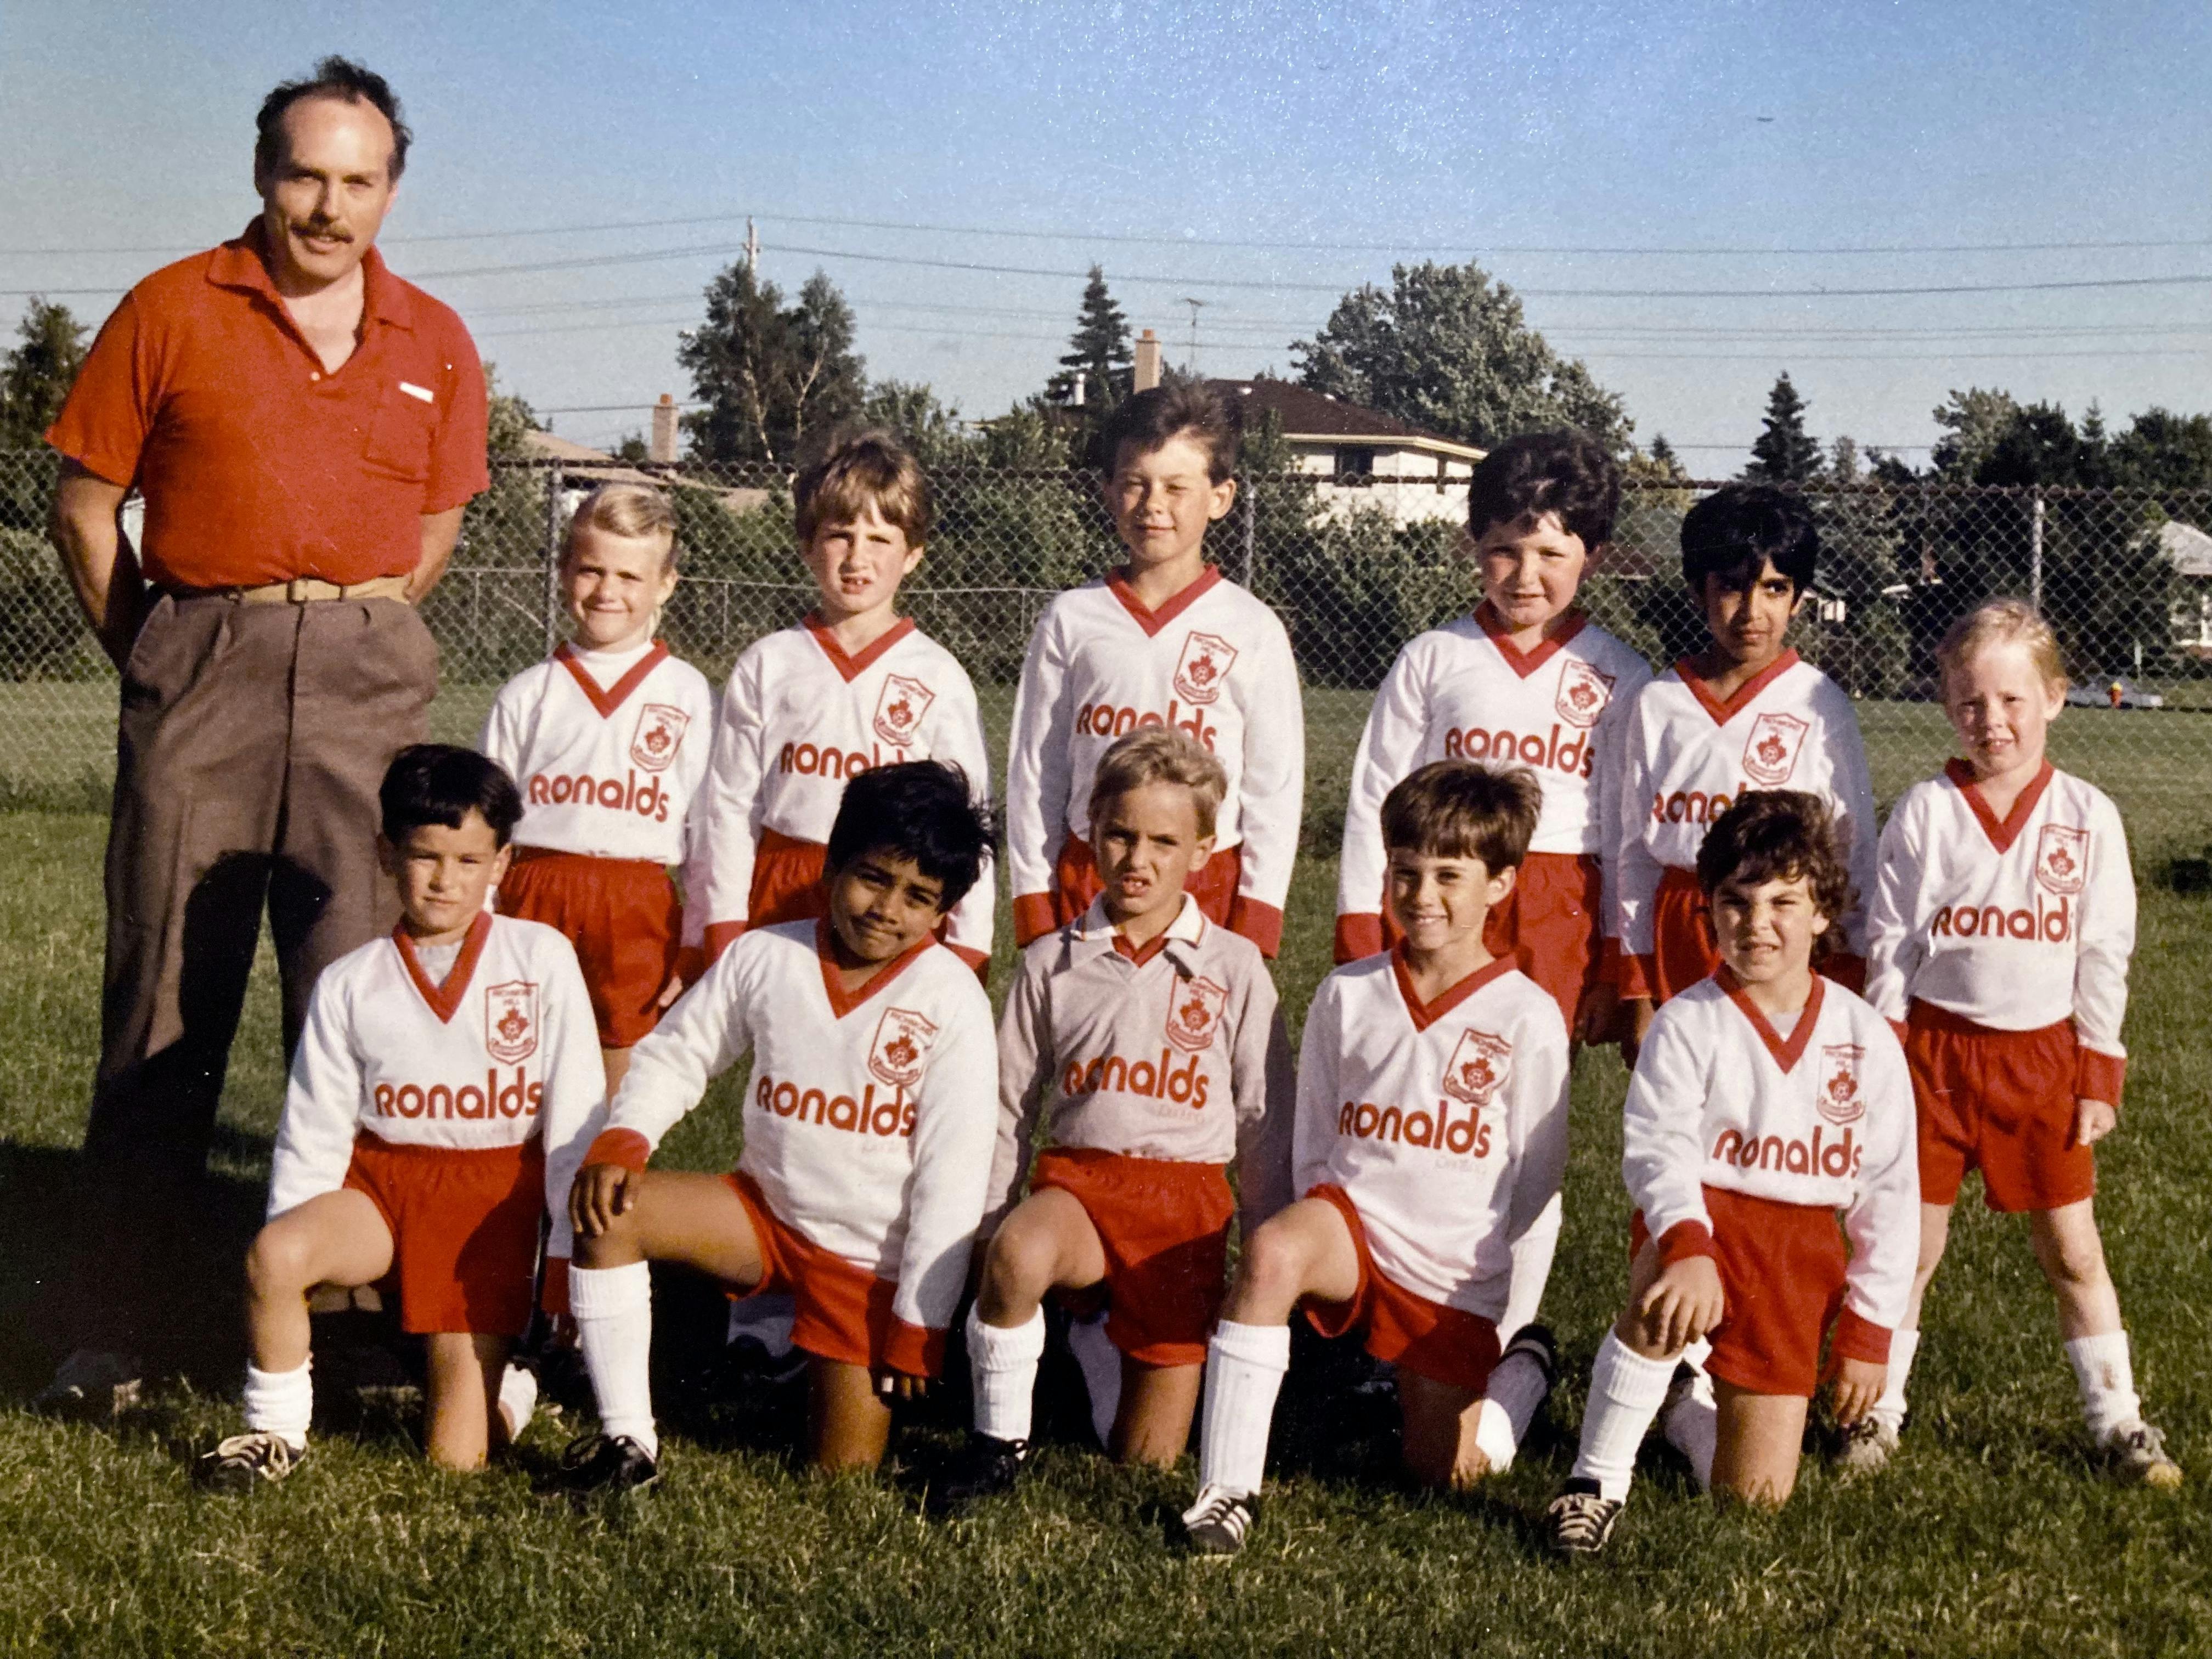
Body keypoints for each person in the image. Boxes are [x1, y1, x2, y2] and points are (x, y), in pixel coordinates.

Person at [40, 57, 489, 1412]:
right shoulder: (172, 306)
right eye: (305, 174)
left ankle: (344, 1324)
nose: (329, 207)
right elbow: (83, 507)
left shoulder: (437, 338)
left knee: (357, 1002)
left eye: (359, 181)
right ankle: (122, 1319)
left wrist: (344, 630)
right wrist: (170, 657)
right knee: (168, 996)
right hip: (205, 659)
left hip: (363, 671)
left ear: (392, 191)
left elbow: (435, 529)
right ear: (260, 175)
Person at [1331, 429, 1652, 1474]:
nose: (1528, 575)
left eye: (1553, 554)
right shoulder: (1434, 658)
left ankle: (1501, 1330)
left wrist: (1618, 959)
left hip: (1553, 905)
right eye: (1508, 550)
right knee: (1416, 1110)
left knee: (1518, 1124)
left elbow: (1625, 828)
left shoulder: (1617, 674)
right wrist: (1357, 930)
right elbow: (1375, 798)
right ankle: (1392, 1328)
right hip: (1439, 896)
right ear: (1475, 546)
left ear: (1591, 557)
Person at [558, 761, 999, 1489]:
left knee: (841, 1479)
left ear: (943, 913)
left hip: (868, 1261)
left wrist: (922, 1320)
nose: (887, 908)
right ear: (831, 864)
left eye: (918, 897)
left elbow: (952, 1177)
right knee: (609, 1213)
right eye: (873, 877)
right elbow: (679, 1052)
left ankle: (798, 1361)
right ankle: (628, 1445)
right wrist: (627, 1134)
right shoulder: (768, 954)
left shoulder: (950, 998)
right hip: (762, 1216)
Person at [1180, 761, 1570, 1556]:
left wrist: (1494, 1290)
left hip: (1451, 1270)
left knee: (1446, 1473)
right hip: (1352, 1233)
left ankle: (1522, 1377)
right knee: (1273, 1251)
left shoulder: (1527, 1015)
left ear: (1500, 884)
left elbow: (1536, 1179)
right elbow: (1315, 1142)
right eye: (1407, 873)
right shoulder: (1348, 993)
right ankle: (1225, 1495)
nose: (1424, 895)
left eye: (1450, 877)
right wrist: (1323, 1222)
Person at [195, 747, 601, 1487]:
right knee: (276, 1255)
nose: (446, 880)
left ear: (503, 862)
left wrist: (568, 1254)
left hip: (488, 1204)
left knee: (455, 1461)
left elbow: (575, 1114)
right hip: (384, 1188)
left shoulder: (541, 958)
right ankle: (275, 1434)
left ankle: (512, 1389)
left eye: (469, 861)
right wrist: (301, 1250)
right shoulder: (351, 982)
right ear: (386, 853)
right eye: (425, 856)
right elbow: (313, 1129)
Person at [1855, 600, 2177, 1486]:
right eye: (1968, 702)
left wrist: (2095, 1070)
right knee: (1906, 1249)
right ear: (1945, 704)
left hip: (2039, 1060)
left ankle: (2117, 1419)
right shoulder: (1926, 810)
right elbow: (1890, 941)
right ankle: (1875, 1411)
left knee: (2072, 1249)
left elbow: (2104, 951)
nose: (1990, 721)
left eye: (2010, 699)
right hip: (1931, 1056)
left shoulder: (2087, 814)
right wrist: (1883, 1057)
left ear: (2056, 697)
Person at [930, 729, 1294, 1514]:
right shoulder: (1050, 962)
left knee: (1142, 1460)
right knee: (1021, 1257)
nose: (1140, 859)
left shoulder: (1234, 968)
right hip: (1083, 1191)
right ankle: (998, 1445)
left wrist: (1266, 1261)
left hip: (1183, 1213)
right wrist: (991, 1223)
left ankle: (1093, 1335)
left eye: (1165, 841)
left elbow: (1267, 1118)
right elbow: (1007, 1104)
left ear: (1203, 851)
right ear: (1091, 832)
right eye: (1121, 834)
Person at [1544, 791, 1917, 1555]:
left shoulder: (1865, 1037)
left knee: (1752, 1504)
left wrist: (1870, 1336)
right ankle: (1595, 1482)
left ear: (1823, 913)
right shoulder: (1689, 1020)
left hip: (1800, 1256)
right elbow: (1658, 1150)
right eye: (1736, 903)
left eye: (1785, 901)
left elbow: (1891, 1197)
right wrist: (1687, 1243)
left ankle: (1683, 1411)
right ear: (1709, 911)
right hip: (1705, 1227)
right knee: (1666, 1279)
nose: (1758, 923)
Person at [1005, 381, 1304, 960]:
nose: (1153, 505)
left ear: (1220, 497)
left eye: (1176, 487)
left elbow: (1274, 789)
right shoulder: (1072, 618)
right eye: (1135, 484)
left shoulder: (1252, 627)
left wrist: (1258, 915)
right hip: (1090, 874)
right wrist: (1034, 900)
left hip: (1206, 883)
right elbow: (1036, 775)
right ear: (1108, 491)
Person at [694, 429, 992, 975]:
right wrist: (723, 922)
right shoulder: (770, 662)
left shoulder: (938, 674)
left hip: (890, 889)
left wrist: (970, 943)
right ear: (809, 545)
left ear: (913, 555)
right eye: (840, 535)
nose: (858, 557)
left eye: (880, 539)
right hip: (787, 882)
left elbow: (967, 821)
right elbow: (732, 809)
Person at [1616, 484, 1878, 1041]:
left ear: (1799, 598)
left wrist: (1851, 960)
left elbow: (1853, 845)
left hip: (1779, 923)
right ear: (1697, 591)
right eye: (1731, 587)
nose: (1751, 611)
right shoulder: (1659, 702)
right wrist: (1637, 984)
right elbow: (1634, 852)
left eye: (1774, 588)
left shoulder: (1819, 702)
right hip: (1684, 928)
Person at [478, 483, 715, 1097]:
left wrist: (698, 939)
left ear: (665, 584)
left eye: (630, 577)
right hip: (536, 890)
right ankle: (525, 1189)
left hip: (635, 898)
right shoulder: (529, 692)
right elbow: (485, 823)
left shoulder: (688, 694)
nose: (608, 591)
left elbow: (708, 830)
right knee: (520, 1055)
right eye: (591, 570)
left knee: (623, 1061)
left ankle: (602, 1181)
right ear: (564, 573)